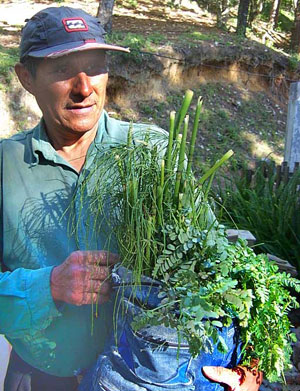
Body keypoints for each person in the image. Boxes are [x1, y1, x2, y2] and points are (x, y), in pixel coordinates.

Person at [0, 6, 262, 391]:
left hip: (146, 380)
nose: (84, 87)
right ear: (26, 77)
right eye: (62, 70)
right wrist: (51, 286)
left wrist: (249, 366)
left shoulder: (154, 152)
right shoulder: (6, 168)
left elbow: (217, 266)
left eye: (96, 65)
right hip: (43, 378)